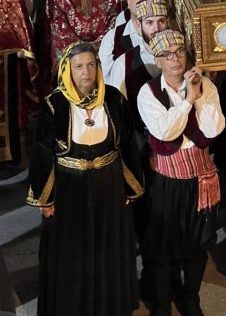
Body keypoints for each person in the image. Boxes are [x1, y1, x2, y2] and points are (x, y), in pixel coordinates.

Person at [27, 42, 144, 316]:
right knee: (72, 252)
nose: (86, 72)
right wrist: (45, 198)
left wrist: (130, 186)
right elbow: (42, 152)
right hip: (69, 188)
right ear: (68, 70)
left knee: (108, 248)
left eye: (91, 65)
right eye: (78, 66)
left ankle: (108, 307)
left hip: (109, 184)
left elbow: (127, 144)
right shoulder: (54, 104)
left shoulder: (113, 99)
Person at [137, 29, 225, 316]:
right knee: (161, 245)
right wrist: (188, 100)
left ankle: (190, 298)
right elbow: (165, 131)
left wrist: (198, 96)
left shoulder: (205, 85)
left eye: (179, 52)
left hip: (200, 179)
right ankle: (162, 302)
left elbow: (213, 129)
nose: (174, 59)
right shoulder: (148, 92)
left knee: (198, 243)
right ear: (157, 60)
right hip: (166, 180)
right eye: (166, 55)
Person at [98, 0, 163, 82]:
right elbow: (109, 82)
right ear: (128, 1)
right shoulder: (111, 39)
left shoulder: (165, 36)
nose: (141, 1)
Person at [0, 0, 37, 164]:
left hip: (9, 56)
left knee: (10, 103)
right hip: (9, 52)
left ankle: (12, 156)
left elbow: (18, 13)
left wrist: (23, 44)